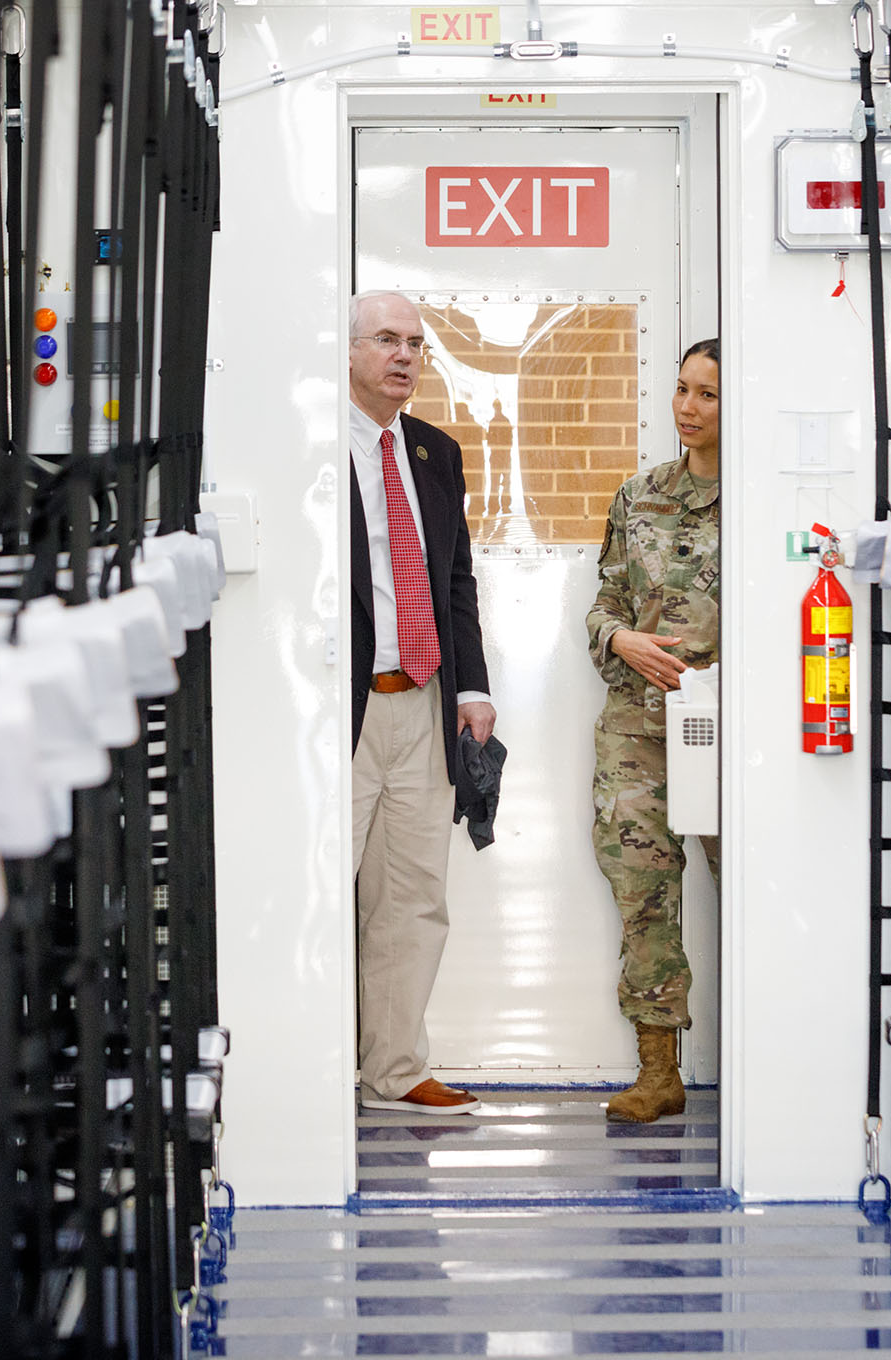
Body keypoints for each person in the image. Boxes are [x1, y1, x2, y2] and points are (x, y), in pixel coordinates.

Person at [348, 290, 497, 1115]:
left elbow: (455, 583)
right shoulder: (316, 452)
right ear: (348, 353)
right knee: (322, 892)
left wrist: (471, 687)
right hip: (341, 709)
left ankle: (395, 1071)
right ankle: (308, 1060)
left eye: (415, 344)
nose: (403, 356)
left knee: (412, 898)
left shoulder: (436, 453)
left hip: (424, 703)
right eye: (385, 341)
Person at [583, 339, 722, 1125]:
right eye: (680, 390)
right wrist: (620, 639)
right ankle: (659, 1072)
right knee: (642, 894)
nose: (687, 408)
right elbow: (602, 603)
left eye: (706, 394)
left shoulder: (762, 502)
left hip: (728, 729)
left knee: (755, 889)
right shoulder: (638, 496)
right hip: (638, 728)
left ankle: (771, 1056)